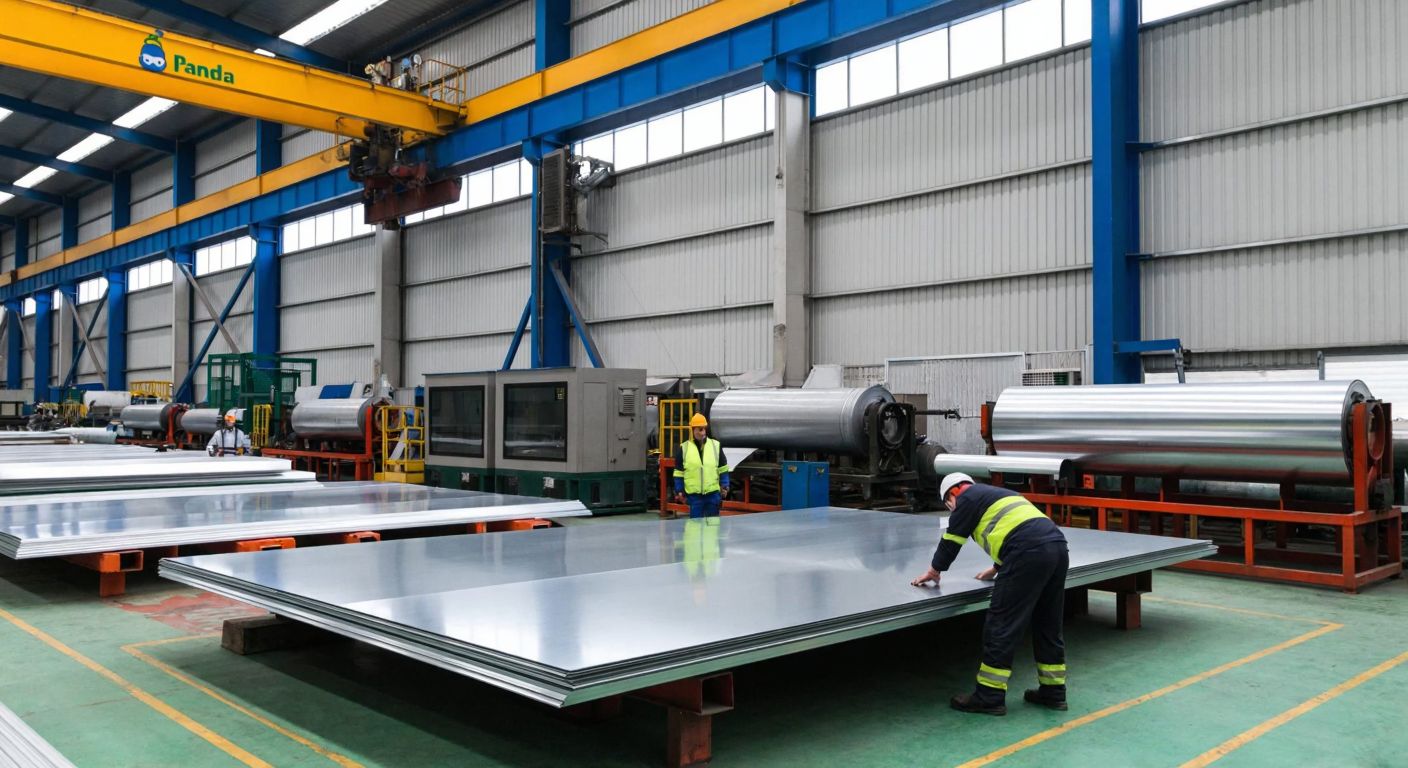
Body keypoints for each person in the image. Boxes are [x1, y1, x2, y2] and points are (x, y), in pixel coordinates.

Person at [911, 473, 1069, 716]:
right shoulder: (996, 494)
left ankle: (989, 696)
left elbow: (951, 540)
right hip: (1057, 548)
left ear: (952, 494)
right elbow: (1015, 528)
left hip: (1027, 553)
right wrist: (997, 567)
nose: (951, 508)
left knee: (1002, 624)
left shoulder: (966, 499)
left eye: (947, 504)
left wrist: (934, 571)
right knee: (1047, 622)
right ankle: (1053, 692)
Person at [672, 413, 730, 518]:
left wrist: (725, 485)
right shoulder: (684, 448)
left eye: (704, 429)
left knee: (712, 529)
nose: (703, 432)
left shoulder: (715, 446)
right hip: (695, 497)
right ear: (693, 430)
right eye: (700, 429)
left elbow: (723, 468)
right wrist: (679, 490)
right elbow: (678, 473)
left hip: (712, 496)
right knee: (695, 528)